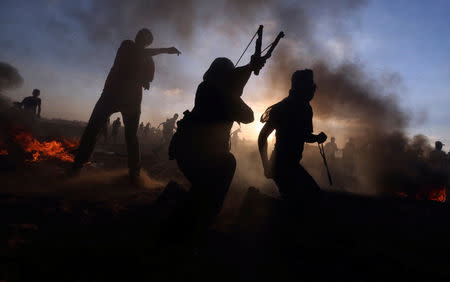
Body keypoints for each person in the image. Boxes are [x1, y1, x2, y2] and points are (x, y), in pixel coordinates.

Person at [168, 56, 265, 237]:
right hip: (195, 155)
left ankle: (180, 203)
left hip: (189, 154)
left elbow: (235, 97)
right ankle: (191, 223)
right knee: (226, 165)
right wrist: (248, 69)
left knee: (205, 187)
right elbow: (248, 115)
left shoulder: (211, 88)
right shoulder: (210, 90)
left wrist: (248, 69)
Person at [70, 28, 180, 183]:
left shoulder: (148, 58)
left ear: (147, 41)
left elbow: (148, 79)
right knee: (94, 129)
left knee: (127, 136)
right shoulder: (127, 45)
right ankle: (77, 166)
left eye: (143, 36)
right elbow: (138, 56)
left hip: (125, 98)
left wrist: (145, 81)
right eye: (140, 34)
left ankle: (134, 173)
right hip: (113, 95)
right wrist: (166, 50)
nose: (139, 36)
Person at [258, 69, 327, 201]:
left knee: (296, 200)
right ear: (302, 87)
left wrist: (317, 138)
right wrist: (266, 166)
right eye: (310, 85)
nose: (313, 90)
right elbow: (262, 136)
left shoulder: (304, 108)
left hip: (288, 164)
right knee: (306, 200)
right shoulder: (286, 108)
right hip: (281, 165)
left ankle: (257, 199)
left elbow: (303, 136)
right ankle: (255, 200)